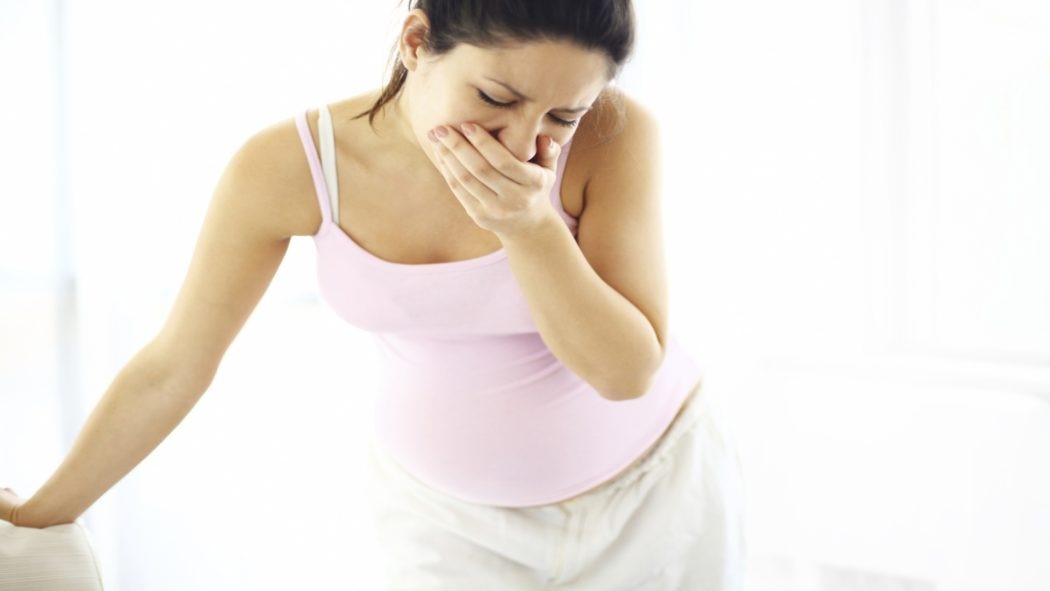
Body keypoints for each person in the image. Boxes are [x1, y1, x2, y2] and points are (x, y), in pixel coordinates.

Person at [2, 1, 747, 588]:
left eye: (562, 115)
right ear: (417, 41)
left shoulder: (615, 136)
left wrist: (528, 227)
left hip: (653, 501)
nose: (524, 145)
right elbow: (174, 365)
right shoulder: (292, 165)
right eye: (496, 96)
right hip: (445, 527)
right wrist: (39, 517)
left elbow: (625, 372)